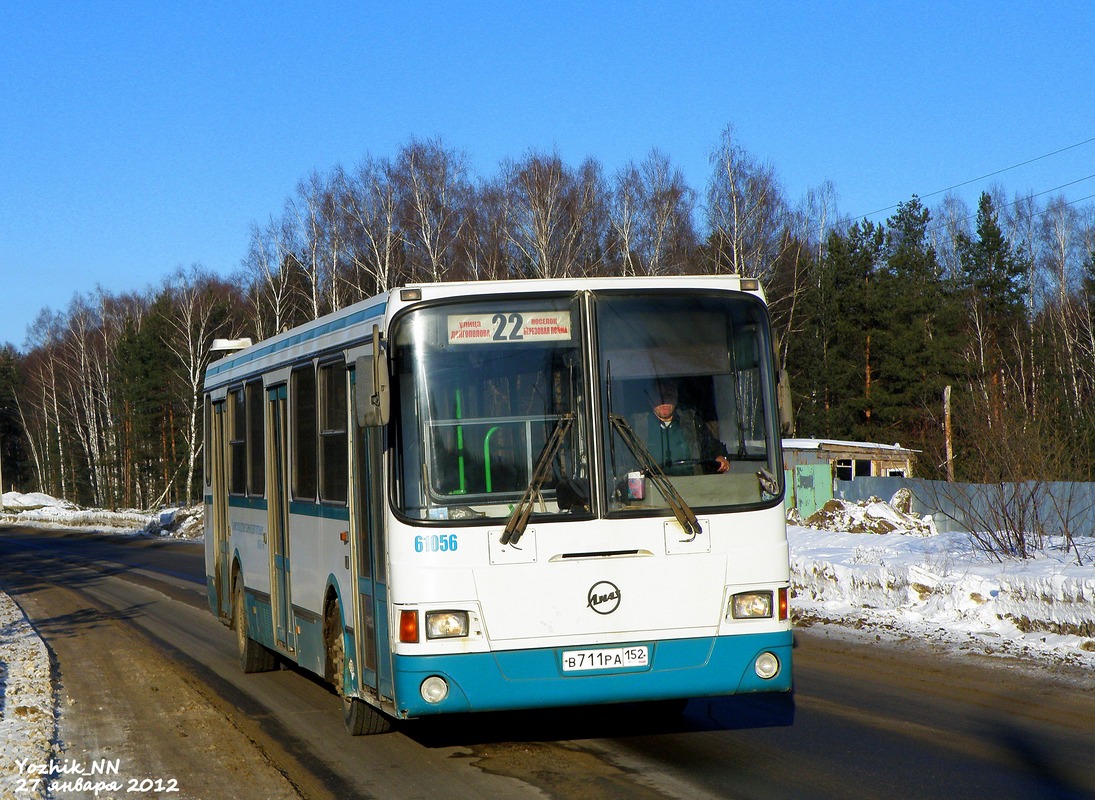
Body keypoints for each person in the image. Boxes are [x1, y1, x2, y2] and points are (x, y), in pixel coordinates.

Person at [630, 379, 730, 475]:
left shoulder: (692, 424)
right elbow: (624, 465)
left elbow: (715, 449)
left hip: (692, 487)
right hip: (653, 488)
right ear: (649, 397)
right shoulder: (636, 427)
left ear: (676, 396)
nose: (664, 401)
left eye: (669, 395)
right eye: (659, 396)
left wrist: (721, 458)